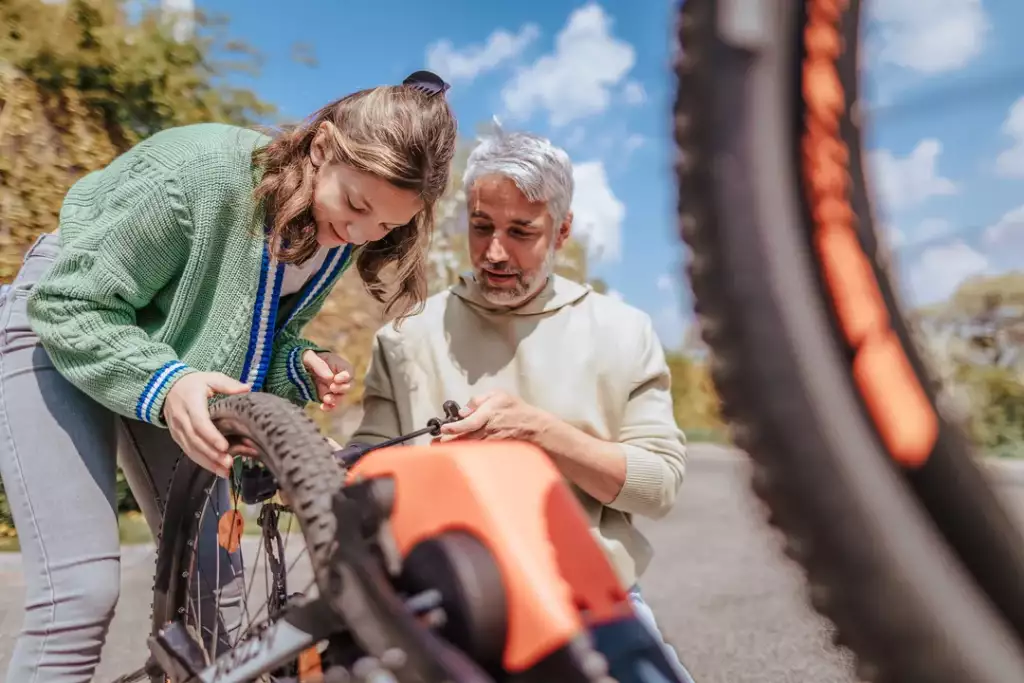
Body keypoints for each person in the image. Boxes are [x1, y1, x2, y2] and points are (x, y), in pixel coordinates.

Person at [0, 71, 457, 683]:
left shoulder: (334, 235)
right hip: (63, 320)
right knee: (78, 593)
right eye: (355, 206)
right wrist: (165, 384)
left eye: (385, 228)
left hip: (170, 355)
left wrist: (297, 363)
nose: (358, 235)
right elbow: (70, 303)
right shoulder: (197, 176)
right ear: (320, 147)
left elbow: (243, 332)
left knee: (218, 595)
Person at [348, 127, 694, 681]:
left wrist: (538, 433)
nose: (494, 252)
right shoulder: (407, 336)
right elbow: (363, 473)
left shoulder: (623, 333)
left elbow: (659, 487)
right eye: (481, 227)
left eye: (521, 232)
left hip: (590, 603)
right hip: (444, 606)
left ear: (562, 232)